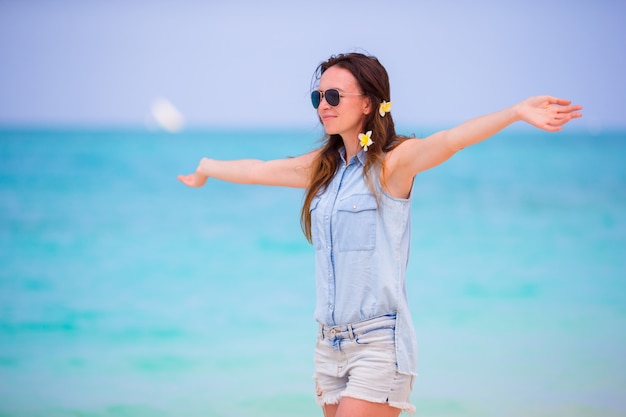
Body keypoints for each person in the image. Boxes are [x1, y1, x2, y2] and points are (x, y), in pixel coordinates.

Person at [177, 52, 582, 417]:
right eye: (317, 97)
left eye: (334, 96)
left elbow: (451, 140)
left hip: (377, 346)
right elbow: (255, 169)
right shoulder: (323, 169)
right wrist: (207, 167)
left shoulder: (393, 165)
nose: (323, 105)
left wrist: (514, 112)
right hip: (328, 347)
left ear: (368, 103)